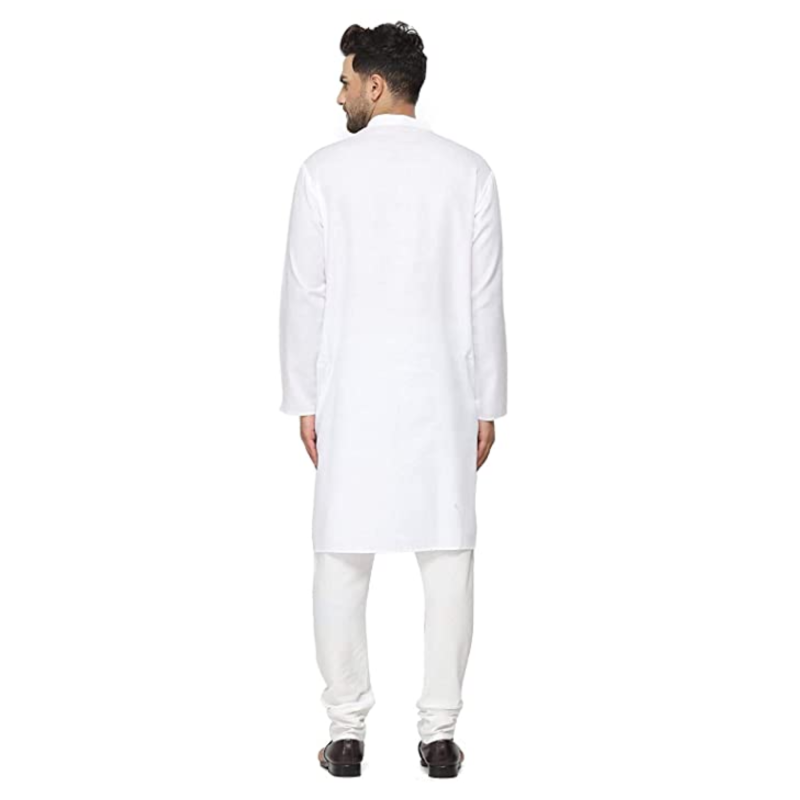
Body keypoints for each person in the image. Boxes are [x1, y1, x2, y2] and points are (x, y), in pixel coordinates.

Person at [278, 21, 507, 778]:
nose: (339, 94)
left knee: (341, 557)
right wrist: (488, 404)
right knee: (448, 558)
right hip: (445, 394)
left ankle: (346, 734)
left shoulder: (322, 172)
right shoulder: (469, 172)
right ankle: (439, 737)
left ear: (376, 86)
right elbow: (484, 298)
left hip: (349, 393)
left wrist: (305, 398)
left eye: (346, 80)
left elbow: (306, 294)